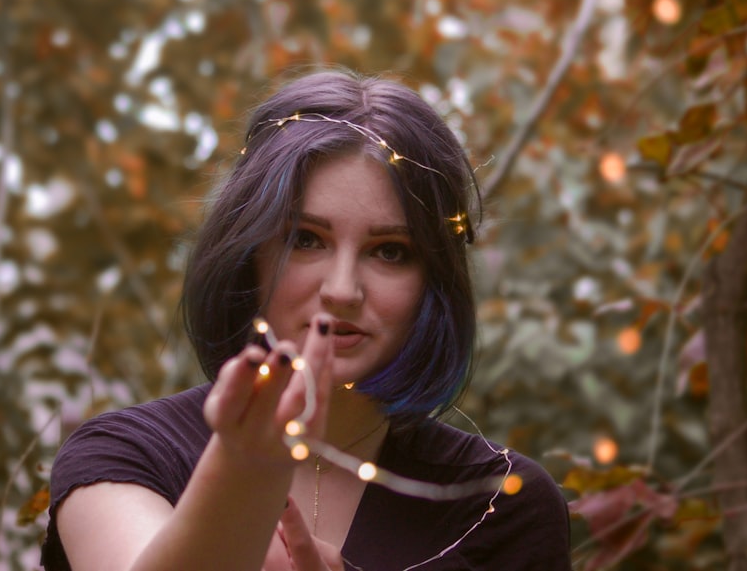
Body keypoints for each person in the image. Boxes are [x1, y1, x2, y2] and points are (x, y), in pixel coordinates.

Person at [40, 70, 571, 571]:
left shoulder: (500, 506)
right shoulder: (125, 455)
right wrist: (244, 467)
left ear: (433, 279)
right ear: (250, 253)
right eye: (306, 240)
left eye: (390, 251)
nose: (341, 290)